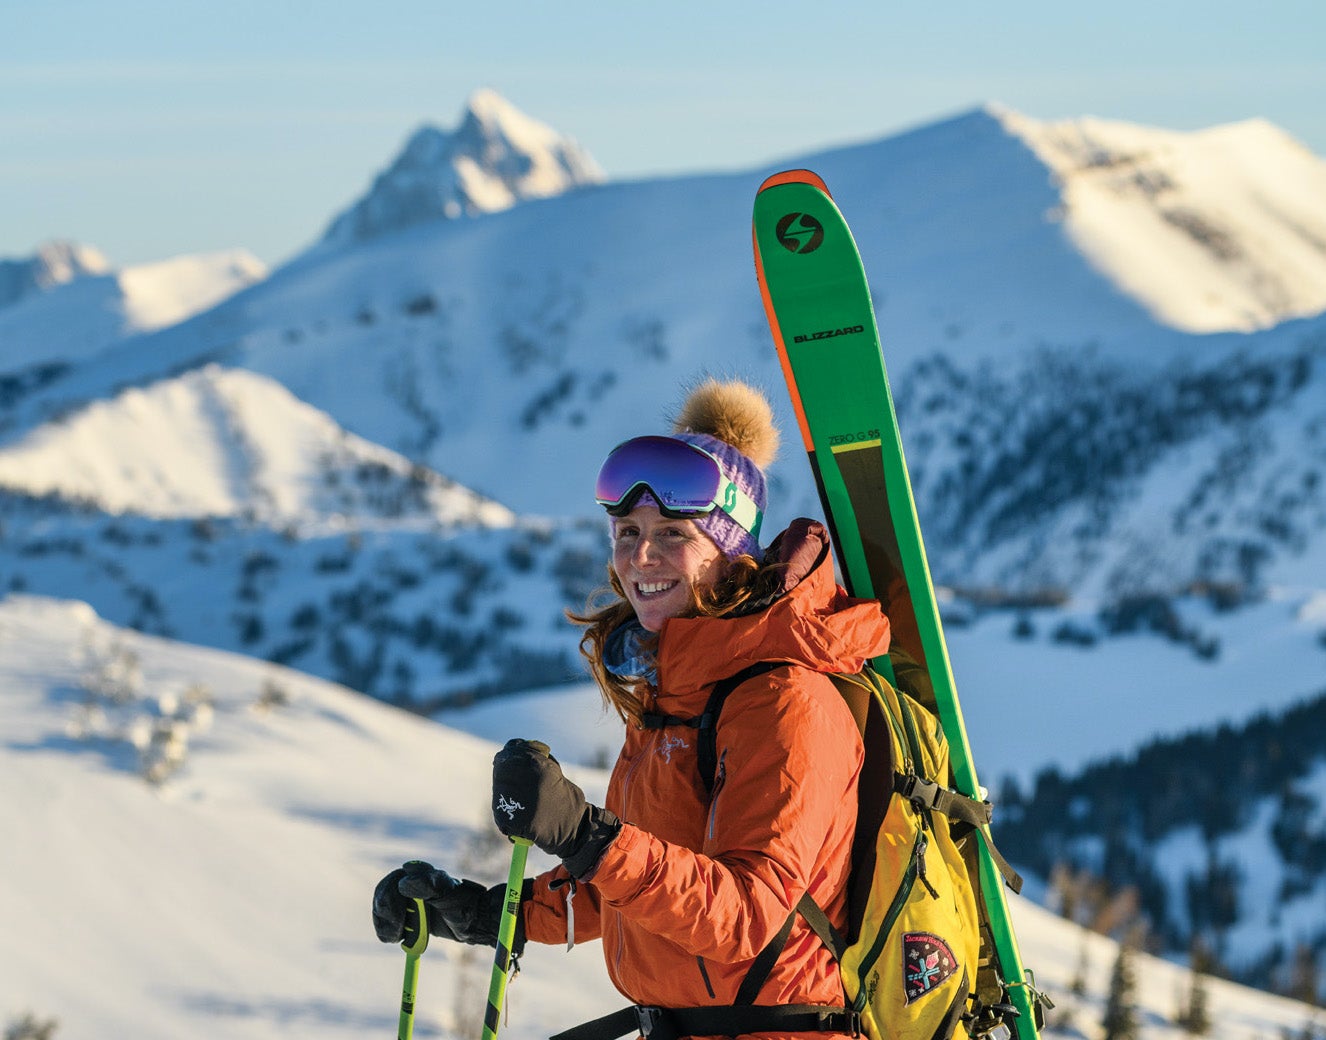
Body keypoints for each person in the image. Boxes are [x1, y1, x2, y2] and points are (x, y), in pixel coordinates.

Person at [373, 378, 892, 1039]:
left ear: (731, 552)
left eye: (672, 533)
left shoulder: (783, 702)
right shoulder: (675, 691)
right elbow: (630, 886)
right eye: (626, 531)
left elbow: (745, 914)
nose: (639, 556)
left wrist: (589, 836)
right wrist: (481, 913)